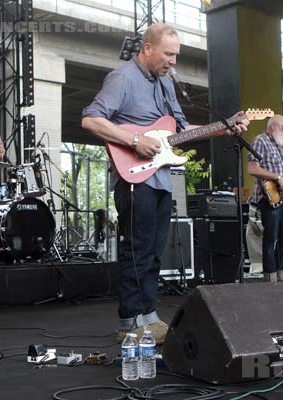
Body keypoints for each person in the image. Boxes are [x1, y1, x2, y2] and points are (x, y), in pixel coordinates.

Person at [81, 23, 249, 344]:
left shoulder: (166, 84)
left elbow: (183, 131)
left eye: (176, 55)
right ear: (147, 48)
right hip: (134, 178)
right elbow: (91, 119)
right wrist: (134, 139)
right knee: (137, 251)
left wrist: (225, 128)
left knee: (155, 252)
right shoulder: (123, 78)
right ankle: (129, 323)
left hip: (159, 179)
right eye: (168, 54)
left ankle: (148, 317)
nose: (173, 61)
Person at [247, 115, 283, 283]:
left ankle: (281, 275)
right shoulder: (260, 141)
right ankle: (270, 276)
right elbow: (252, 168)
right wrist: (277, 177)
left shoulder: (279, 147)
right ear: (273, 126)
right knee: (271, 237)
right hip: (268, 198)